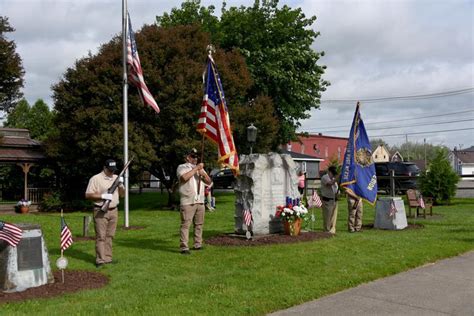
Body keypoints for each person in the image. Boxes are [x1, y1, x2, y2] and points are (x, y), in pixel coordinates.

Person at [85, 159, 125, 268]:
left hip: (114, 210)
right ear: (104, 168)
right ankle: (100, 260)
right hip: (100, 210)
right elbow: (88, 195)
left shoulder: (117, 178)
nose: (112, 172)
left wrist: (121, 185)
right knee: (101, 236)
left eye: (113, 170)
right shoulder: (95, 178)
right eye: (110, 170)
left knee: (110, 236)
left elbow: (122, 195)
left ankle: (108, 258)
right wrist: (102, 196)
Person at [177, 148, 212, 255]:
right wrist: (196, 169)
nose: (195, 158)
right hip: (188, 200)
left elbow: (209, 181)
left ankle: (197, 244)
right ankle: (184, 247)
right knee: (186, 224)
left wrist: (203, 173)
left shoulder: (200, 168)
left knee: (199, 224)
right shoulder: (182, 167)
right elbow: (183, 178)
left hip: (200, 200)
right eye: (193, 156)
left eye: (196, 157)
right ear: (187, 157)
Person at [320, 166, 339, 234]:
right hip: (327, 200)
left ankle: (332, 230)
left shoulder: (333, 178)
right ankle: (326, 230)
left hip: (334, 200)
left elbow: (335, 188)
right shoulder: (325, 177)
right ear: (329, 171)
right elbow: (330, 183)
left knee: (333, 217)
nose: (333, 175)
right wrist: (337, 178)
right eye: (332, 173)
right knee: (327, 217)